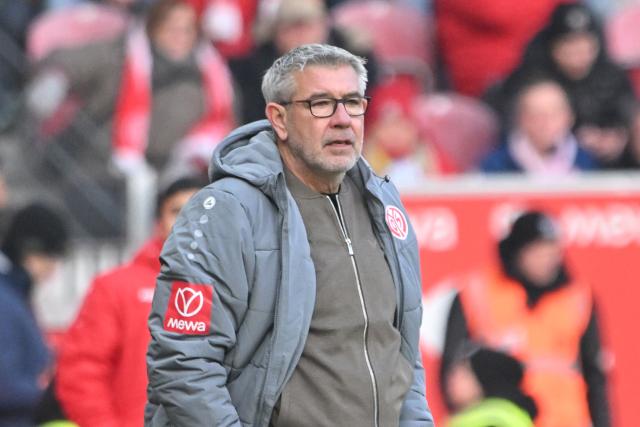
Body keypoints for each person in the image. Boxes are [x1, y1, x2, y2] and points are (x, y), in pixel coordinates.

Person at [145, 43, 434, 426]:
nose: (342, 119)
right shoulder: (228, 212)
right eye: (320, 104)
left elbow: (402, 356)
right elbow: (184, 362)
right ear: (278, 119)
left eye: (352, 102)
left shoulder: (385, 206)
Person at [55, 176, 204, 427]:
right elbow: (81, 373)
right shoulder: (115, 288)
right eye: (177, 211)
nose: (189, 219)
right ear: (158, 223)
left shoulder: (243, 288)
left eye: (199, 210)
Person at [440, 210, 611, 427]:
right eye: (537, 252)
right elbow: (450, 369)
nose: (546, 260)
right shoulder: (477, 292)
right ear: (517, 252)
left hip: (565, 420)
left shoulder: (577, 297)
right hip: (502, 420)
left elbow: (595, 375)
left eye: (552, 252)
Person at [485, 3, 636, 133]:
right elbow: (513, 131)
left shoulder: (611, 77)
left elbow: (628, 116)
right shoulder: (529, 79)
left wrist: (617, 139)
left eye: (586, 47)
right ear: (553, 48)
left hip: (611, 165)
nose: (579, 56)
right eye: (570, 47)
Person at [229, 0, 379, 124]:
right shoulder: (254, 71)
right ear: (276, 34)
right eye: (291, 28)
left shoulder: (355, 56)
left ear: (324, 26)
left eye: (307, 26)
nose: (301, 36)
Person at [0, 203, 69, 427]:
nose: (53, 269)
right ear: (30, 254)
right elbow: (5, 384)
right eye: (51, 257)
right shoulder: (6, 301)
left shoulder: (16, 297)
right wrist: (57, 394)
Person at [480, 78, 597, 174]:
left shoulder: (587, 161)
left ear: (569, 117)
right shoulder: (496, 165)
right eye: (536, 114)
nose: (545, 123)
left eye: (554, 114)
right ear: (520, 119)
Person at [445, 346, 537, 427]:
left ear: (482, 381)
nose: (452, 379)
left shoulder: (494, 420)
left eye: (464, 375)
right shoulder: (508, 416)